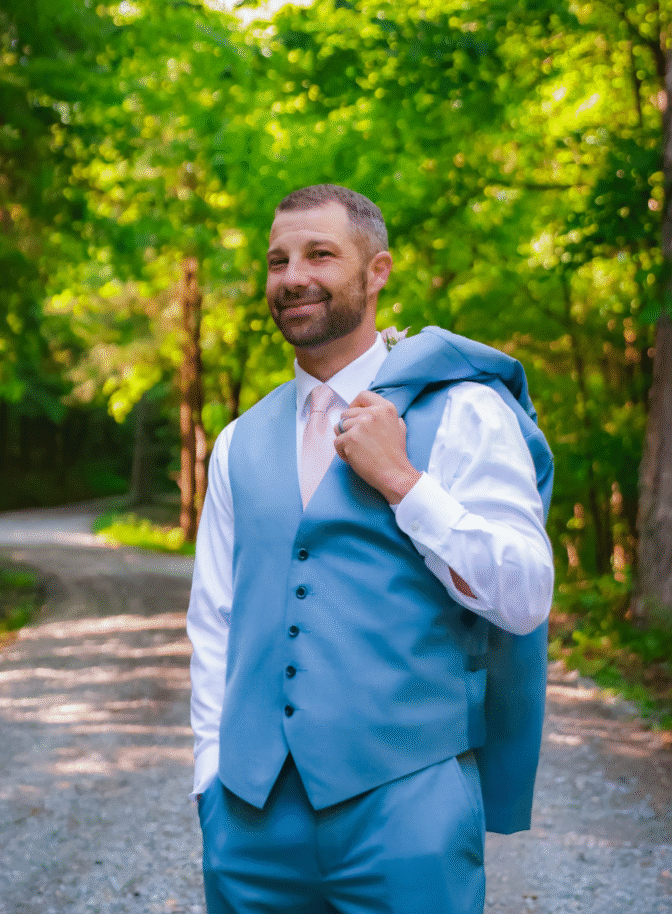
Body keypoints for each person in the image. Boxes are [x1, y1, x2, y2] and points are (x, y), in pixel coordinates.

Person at [186, 184, 554, 914]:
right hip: (251, 822)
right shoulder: (236, 443)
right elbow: (215, 622)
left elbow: (525, 596)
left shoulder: (466, 410)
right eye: (277, 260)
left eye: (320, 254)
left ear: (377, 270)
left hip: (407, 810)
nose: (293, 277)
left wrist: (404, 482)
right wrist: (210, 779)